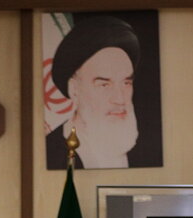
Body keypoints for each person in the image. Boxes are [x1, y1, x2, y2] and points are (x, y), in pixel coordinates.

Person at [46, 15, 149, 169]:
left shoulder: (147, 150)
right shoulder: (51, 155)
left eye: (126, 83)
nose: (120, 99)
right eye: (104, 85)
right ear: (74, 89)